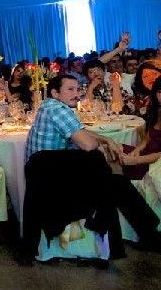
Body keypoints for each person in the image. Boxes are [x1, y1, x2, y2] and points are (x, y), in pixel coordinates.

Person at [23, 74, 161, 258]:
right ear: (55, 93)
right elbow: (88, 144)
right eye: (70, 89)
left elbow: (79, 131)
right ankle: (144, 234)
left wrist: (105, 140)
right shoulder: (58, 110)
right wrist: (101, 145)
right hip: (53, 180)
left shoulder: (49, 106)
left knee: (115, 182)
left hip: (47, 174)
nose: (76, 94)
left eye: (77, 89)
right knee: (99, 164)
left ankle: (146, 235)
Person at [121, 76, 161, 180]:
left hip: (156, 165)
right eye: (160, 92)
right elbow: (148, 138)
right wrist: (136, 150)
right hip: (147, 153)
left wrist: (136, 160)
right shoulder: (158, 109)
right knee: (110, 148)